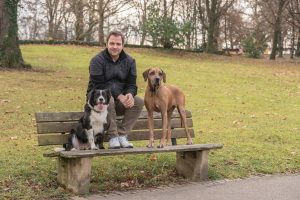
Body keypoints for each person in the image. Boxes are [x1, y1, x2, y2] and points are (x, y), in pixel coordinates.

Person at [86, 30, 144, 149]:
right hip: (97, 101)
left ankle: (122, 135)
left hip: (118, 102)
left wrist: (130, 94)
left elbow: (132, 84)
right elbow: (99, 85)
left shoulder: (130, 61)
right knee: (108, 99)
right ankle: (113, 136)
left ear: (123, 45)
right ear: (106, 43)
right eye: (112, 43)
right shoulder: (96, 61)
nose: (115, 47)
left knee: (138, 101)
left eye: (118, 44)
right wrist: (119, 96)